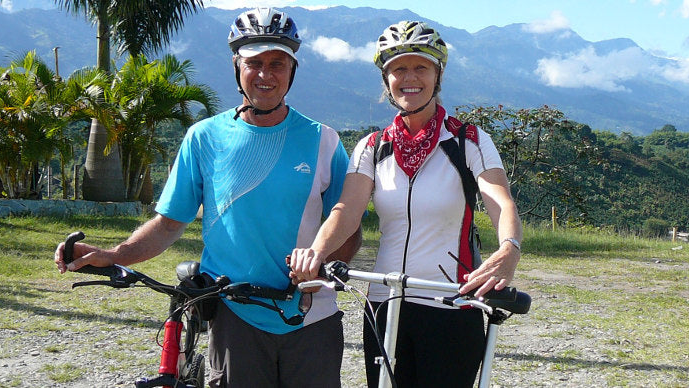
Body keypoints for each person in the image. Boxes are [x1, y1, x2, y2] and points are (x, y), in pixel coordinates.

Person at [55, 8, 361, 388]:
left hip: (311, 315)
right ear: (237, 66)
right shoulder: (204, 138)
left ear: (292, 70)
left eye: (278, 63)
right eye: (255, 63)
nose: (266, 74)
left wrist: (324, 266)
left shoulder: (323, 140)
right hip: (236, 316)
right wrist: (116, 255)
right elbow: (169, 223)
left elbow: (349, 228)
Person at [289, 20, 522, 387]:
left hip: (450, 304)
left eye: (420, 67)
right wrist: (314, 254)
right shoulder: (373, 146)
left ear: (437, 75)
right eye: (398, 68)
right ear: (387, 80)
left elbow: (501, 202)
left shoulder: (469, 140)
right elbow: (346, 211)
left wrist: (509, 249)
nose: (409, 77)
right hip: (384, 302)